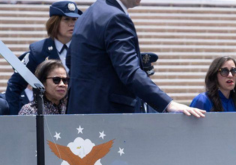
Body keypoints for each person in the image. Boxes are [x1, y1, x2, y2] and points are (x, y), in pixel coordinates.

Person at [67, 0, 203, 117]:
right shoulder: (115, 17)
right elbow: (129, 71)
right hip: (109, 117)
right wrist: (167, 103)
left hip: (81, 111)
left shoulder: (87, 15)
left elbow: (70, 60)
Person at [5, 1, 81, 115]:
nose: (72, 24)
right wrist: (15, 118)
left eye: (74, 19)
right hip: (46, 116)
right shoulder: (39, 51)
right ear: (54, 22)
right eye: (66, 19)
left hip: (77, 116)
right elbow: (15, 85)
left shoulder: (84, 49)